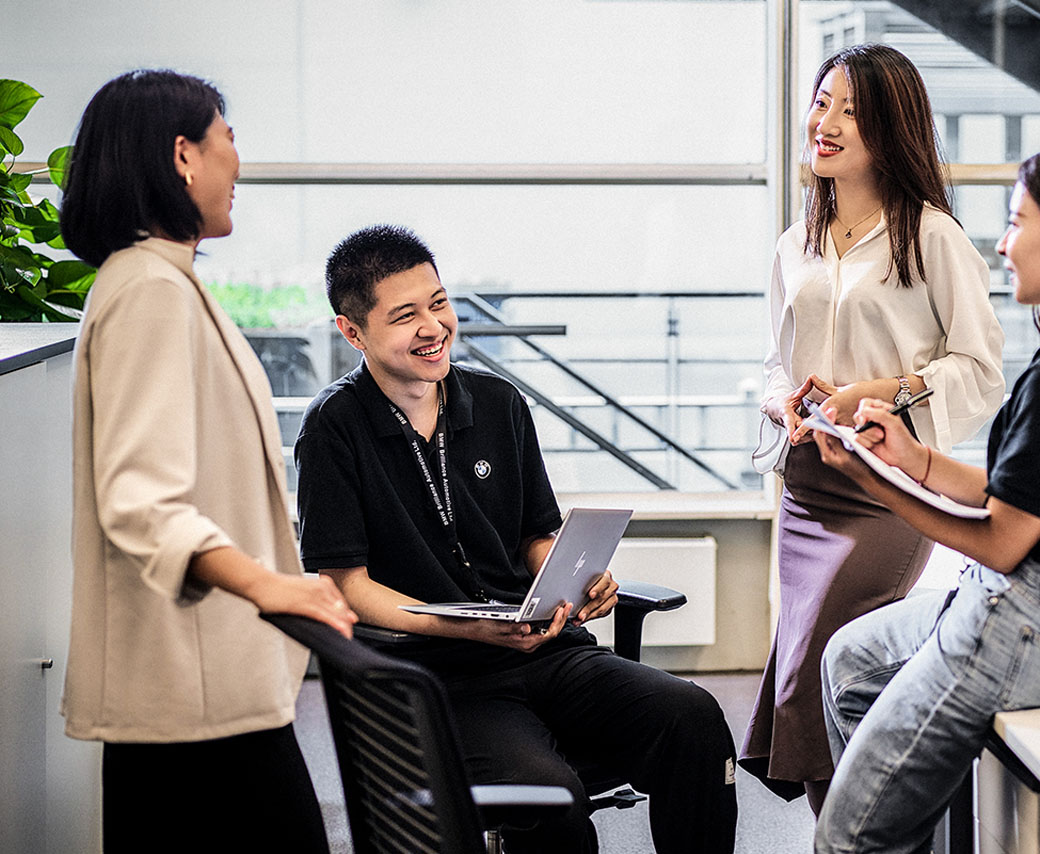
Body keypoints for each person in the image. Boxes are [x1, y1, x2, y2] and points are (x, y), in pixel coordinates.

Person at [293, 224, 738, 854]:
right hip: (441, 675)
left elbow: (536, 534)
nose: (433, 327)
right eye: (405, 316)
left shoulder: (498, 403)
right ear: (353, 331)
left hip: (546, 649)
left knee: (693, 718)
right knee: (548, 795)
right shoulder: (334, 428)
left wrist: (574, 576)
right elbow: (345, 586)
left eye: (439, 303)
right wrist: (463, 628)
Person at [811, 139, 1040, 853]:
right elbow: (1029, 494)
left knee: (846, 838)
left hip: (1027, 625)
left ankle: (885, 815)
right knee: (850, 661)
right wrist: (912, 456)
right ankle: (904, 798)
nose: (1005, 244)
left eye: (1018, 224)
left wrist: (872, 480)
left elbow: (1000, 540)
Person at [58, 69, 357, 854]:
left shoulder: (158, 282)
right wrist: (273, 586)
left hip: (196, 689)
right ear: (183, 156)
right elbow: (139, 500)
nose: (238, 163)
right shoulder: (150, 291)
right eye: (228, 138)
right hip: (190, 694)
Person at [742, 43, 1005, 810]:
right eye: (822, 102)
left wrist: (886, 391)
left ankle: (857, 828)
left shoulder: (931, 236)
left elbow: (982, 370)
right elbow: (772, 361)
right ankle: (847, 829)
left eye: (850, 111)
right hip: (807, 489)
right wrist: (782, 400)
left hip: (889, 489)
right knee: (807, 675)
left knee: (822, 669)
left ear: (890, 130)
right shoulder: (797, 242)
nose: (824, 122)